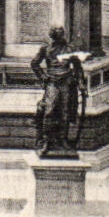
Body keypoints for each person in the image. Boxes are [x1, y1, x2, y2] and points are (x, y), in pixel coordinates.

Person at [32, 26, 84, 157]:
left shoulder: (69, 49)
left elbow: (78, 67)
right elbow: (34, 63)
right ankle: (46, 141)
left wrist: (81, 84)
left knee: (65, 112)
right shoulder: (46, 49)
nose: (59, 37)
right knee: (49, 110)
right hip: (52, 83)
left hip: (66, 82)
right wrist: (43, 77)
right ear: (53, 36)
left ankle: (63, 140)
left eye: (61, 35)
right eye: (57, 35)